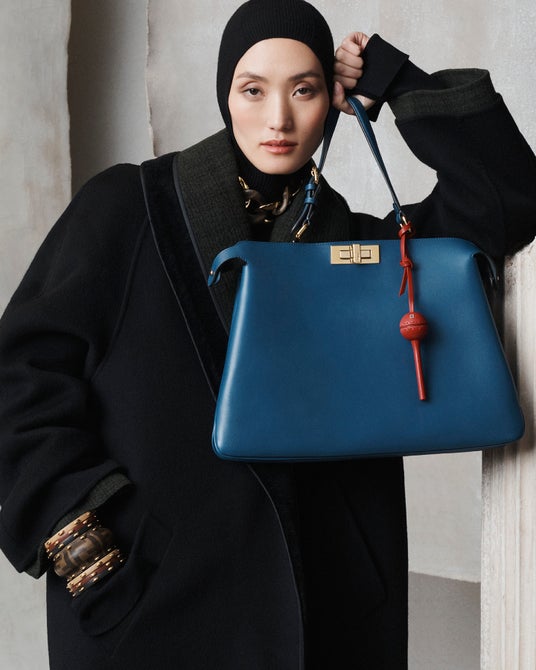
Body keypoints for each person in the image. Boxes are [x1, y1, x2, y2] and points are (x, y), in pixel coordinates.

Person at [0, 1, 535, 668]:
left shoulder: (363, 255)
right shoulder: (128, 209)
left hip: (325, 612)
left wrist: (397, 81)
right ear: (226, 95)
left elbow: (507, 201)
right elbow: (18, 377)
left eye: (303, 90)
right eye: (253, 90)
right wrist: (82, 544)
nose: (278, 118)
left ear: (330, 100)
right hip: (148, 607)